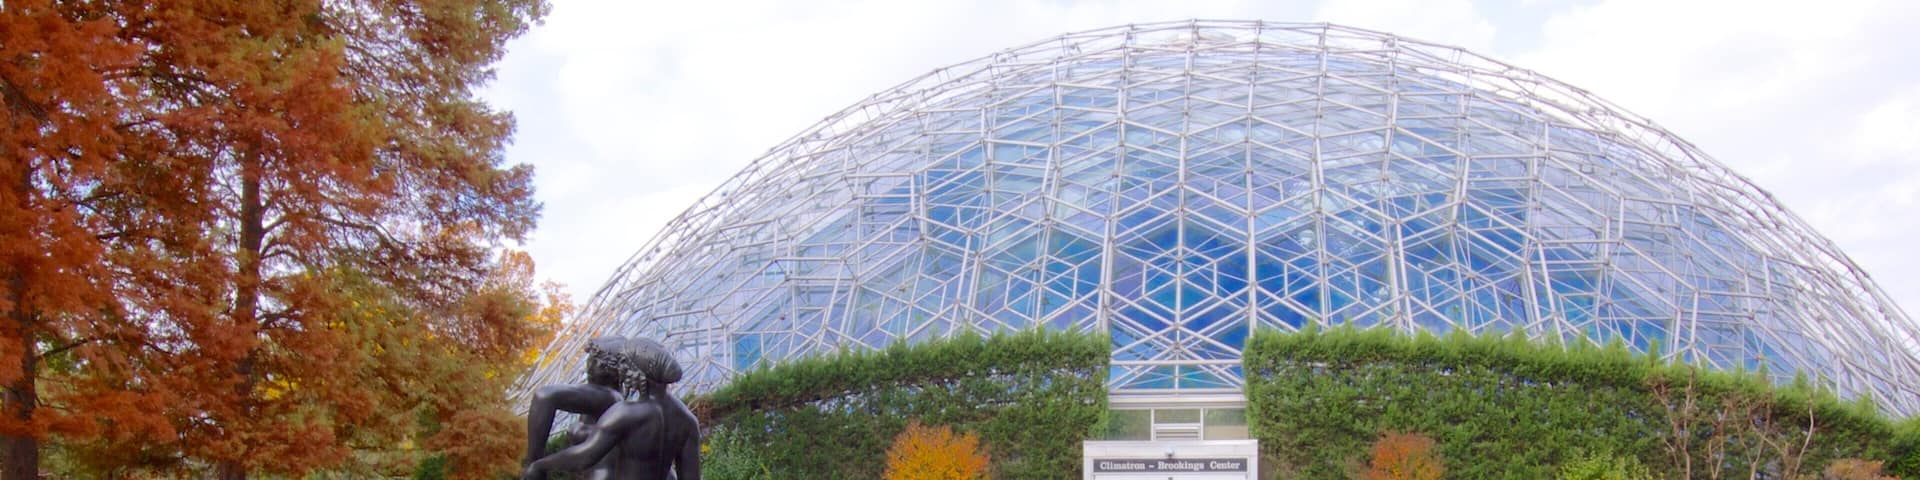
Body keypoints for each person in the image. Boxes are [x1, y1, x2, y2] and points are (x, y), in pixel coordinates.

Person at [522, 337, 701, 480]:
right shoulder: (687, 421)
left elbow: (583, 457)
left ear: (635, 371)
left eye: (624, 365)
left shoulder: (627, 413)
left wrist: (539, 465)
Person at [523, 336, 627, 471]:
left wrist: (532, 465)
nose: (588, 365)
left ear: (603, 365)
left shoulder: (607, 397)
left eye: (593, 359)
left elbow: (545, 396)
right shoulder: (615, 400)